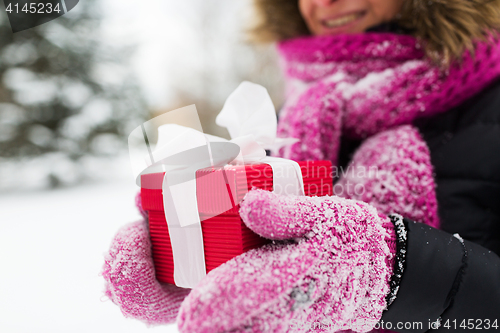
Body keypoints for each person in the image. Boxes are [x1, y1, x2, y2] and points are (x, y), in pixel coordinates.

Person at [102, 0, 500, 332]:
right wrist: (191, 264)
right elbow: (266, 235)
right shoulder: (281, 125)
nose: (323, 1)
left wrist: (396, 272)